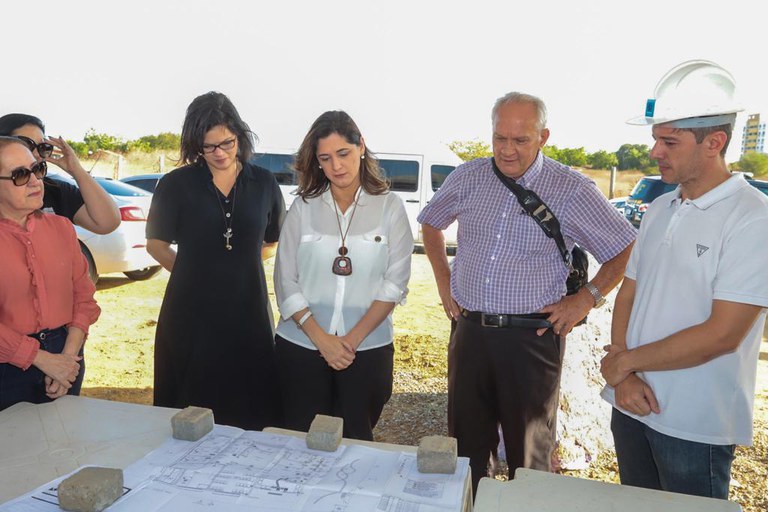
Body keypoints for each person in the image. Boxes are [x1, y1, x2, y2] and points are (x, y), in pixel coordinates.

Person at [418, 92, 636, 493]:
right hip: (469, 334)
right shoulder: (468, 177)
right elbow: (430, 223)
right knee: (465, 450)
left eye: (520, 140)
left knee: (529, 458)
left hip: (531, 340)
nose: (507, 150)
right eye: (500, 138)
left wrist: (586, 297)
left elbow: (625, 247)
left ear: (543, 136)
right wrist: (443, 280)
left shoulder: (571, 189)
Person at [600, 60, 768, 500]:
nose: (655, 152)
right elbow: (629, 293)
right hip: (632, 403)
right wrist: (623, 370)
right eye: (655, 139)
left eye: (669, 141)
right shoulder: (660, 208)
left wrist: (625, 363)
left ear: (715, 142)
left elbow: (722, 335)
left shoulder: (753, 219)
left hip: (693, 424)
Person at [146, 92, 284, 430]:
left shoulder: (264, 183)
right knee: (190, 408)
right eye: (209, 147)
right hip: (190, 314)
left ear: (240, 136)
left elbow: (273, 241)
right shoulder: (175, 184)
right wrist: (196, 273)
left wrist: (239, 266)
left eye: (227, 143)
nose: (220, 153)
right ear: (196, 145)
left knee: (251, 407)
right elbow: (156, 245)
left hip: (248, 312)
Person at [273, 111, 413, 441]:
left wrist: (348, 343)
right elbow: (285, 282)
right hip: (301, 348)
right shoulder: (303, 208)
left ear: (361, 147)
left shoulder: (390, 207)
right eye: (326, 158)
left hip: (366, 351)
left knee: (356, 444)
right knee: (300, 443)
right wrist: (322, 341)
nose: (336, 166)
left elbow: (394, 285)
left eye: (343, 153)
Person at [0, 137, 101, 410]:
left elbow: (84, 297)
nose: (35, 181)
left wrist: (67, 359)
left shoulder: (61, 228)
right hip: (7, 369)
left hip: (67, 354)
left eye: (37, 169)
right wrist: (43, 360)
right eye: (20, 175)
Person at [0, 114, 120, 234]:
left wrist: (76, 170)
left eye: (43, 147)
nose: (37, 154)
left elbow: (107, 223)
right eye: (26, 144)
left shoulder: (54, 190)